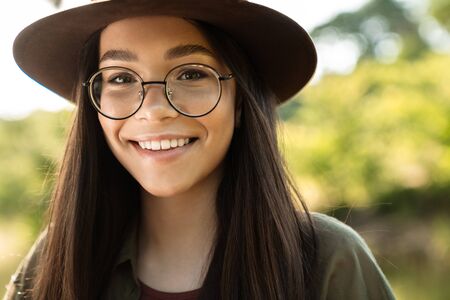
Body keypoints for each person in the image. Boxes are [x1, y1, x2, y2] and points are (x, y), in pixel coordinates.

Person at [4, 0, 396, 299]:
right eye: (121, 77)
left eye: (191, 73)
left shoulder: (328, 260)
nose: (153, 111)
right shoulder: (60, 257)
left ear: (240, 101)